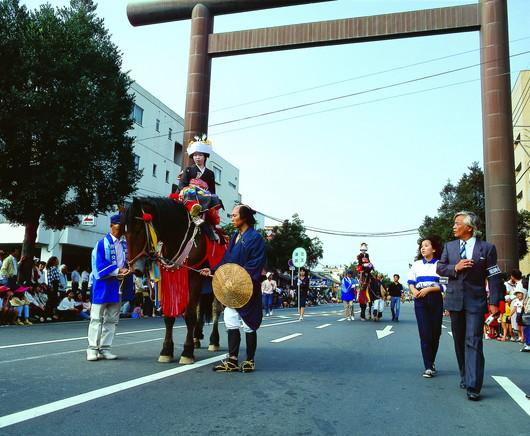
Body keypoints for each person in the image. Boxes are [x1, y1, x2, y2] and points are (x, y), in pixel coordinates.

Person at [437, 211, 503, 401]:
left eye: (457, 223)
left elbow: (494, 275)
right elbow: (440, 267)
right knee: (459, 341)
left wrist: (494, 302)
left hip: (476, 300)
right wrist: (454, 268)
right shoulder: (449, 247)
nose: (454, 226)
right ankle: (465, 375)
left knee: (473, 340)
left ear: (470, 227)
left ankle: (474, 385)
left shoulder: (487, 248)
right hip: (454, 300)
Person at [200, 204, 266, 373]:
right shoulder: (236, 235)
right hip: (232, 289)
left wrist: (237, 278)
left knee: (249, 324)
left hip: (246, 288)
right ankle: (233, 359)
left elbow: (255, 264)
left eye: (234, 215)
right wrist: (214, 271)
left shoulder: (256, 238)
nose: (231, 217)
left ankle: (250, 360)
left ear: (244, 217)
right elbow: (227, 261)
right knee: (230, 320)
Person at [86, 214, 133, 361]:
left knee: (112, 319)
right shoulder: (101, 244)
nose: (120, 231)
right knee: (96, 318)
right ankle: (92, 349)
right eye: (118, 227)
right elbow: (99, 265)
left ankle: (105, 348)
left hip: (118, 285)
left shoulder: (125, 246)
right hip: (103, 284)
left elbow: (128, 263)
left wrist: (128, 270)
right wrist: (119, 270)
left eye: (122, 228)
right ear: (111, 226)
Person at [408, 236, 444, 378]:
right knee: (425, 333)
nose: (423, 248)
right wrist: (415, 291)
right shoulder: (416, 264)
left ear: (434, 249)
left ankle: (432, 361)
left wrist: (429, 289)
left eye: (426, 245)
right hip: (420, 300)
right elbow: (411, 282)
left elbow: (444, 285)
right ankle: (428, 366)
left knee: (435, 334)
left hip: (435, 298)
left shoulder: (441, 264)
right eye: (421, 246)